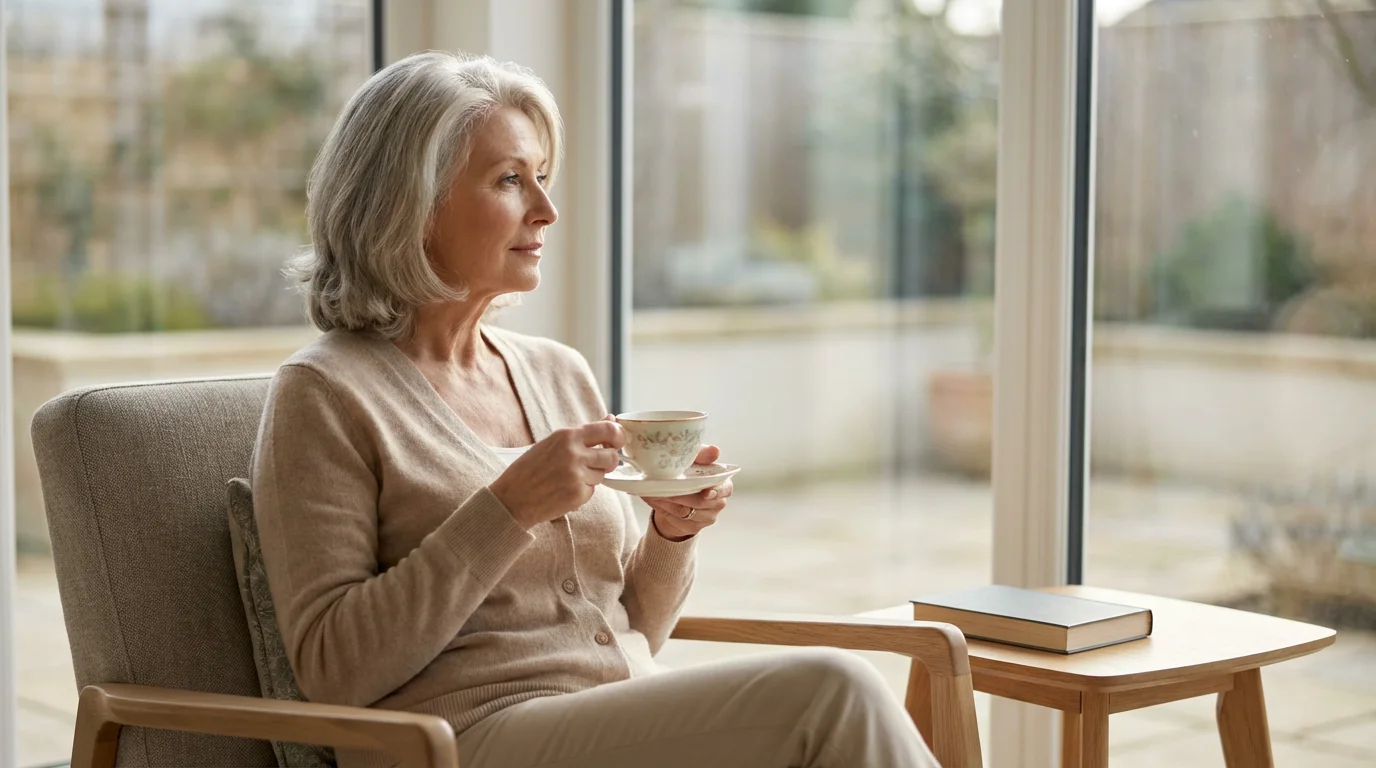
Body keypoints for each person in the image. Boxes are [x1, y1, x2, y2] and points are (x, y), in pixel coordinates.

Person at [251, 50, 939, 768]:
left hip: (614, 718)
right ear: (410, 205)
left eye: (541, 178)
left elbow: (630, 628)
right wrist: (507, 508)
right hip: (462, 740)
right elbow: (334, 671)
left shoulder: (557, 372)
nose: (545, 211)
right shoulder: (325, 394)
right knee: (833, 689)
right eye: (510, 180)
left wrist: (671, 537)